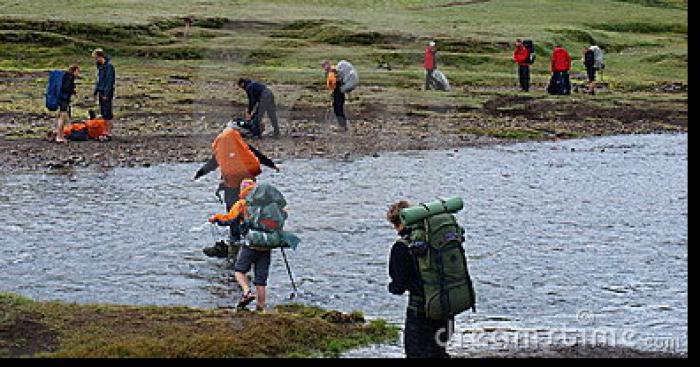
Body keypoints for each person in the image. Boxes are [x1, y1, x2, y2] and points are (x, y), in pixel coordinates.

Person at [193, 121, 279, 258]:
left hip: (233, 187)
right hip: (246, 187)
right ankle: (243, 243)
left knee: (234, 214)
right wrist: (272, 164)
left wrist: (199, 174)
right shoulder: (241, 146)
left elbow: (213, 162)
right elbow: (257, 155)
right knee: (243, 214)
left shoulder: (227, 148)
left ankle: (235, 245)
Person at [386, 200, 451, 358]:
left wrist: (391, 287)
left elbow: (398, 287)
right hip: (445, 309)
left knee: (416, 354)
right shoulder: (436, 239)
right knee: (438, 352)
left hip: (420, 313)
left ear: (396, 223)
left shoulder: (402, 247)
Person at [208, 179, 271, 311]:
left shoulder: (242, 204)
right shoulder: (267, 205)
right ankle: (261, 307)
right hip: (266, 246)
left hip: (250, 244)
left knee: (239, 271)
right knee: (261, 279)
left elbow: (229, 219)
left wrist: (216, 218)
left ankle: (247, 291)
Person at [92, 48, 116, 139]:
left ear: (100, 56)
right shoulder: (101, 68)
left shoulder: (109, 67)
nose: (95, 60)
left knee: (107, 111)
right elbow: (99, 81)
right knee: (103, 111)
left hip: (106, 92)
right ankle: (105, 130)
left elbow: (110, 81)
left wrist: (106, 93)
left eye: (96, 58)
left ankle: (108, 132)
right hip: (101, 92)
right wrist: (96, 91)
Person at [54, 65, 80, 143]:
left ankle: (60, 134)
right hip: (64, 100)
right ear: (74, 71)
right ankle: (59, 136)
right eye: (78, 71)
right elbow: (66, 88)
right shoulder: (69, 77)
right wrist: (72, 90)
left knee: (63, 117)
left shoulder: (66, 76)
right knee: (62, 117)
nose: (78, 74)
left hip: (62, 99)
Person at [321, 60, 347, 131]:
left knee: (338, 107)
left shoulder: (334, 70)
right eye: (323, 66)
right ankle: (342, 125)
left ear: (328, 64)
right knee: (336, 107)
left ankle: (342, 126)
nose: (325, 68)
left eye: (325, 65)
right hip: (336, 91)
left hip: (339, 90)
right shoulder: (328, 73)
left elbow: (341, 78)